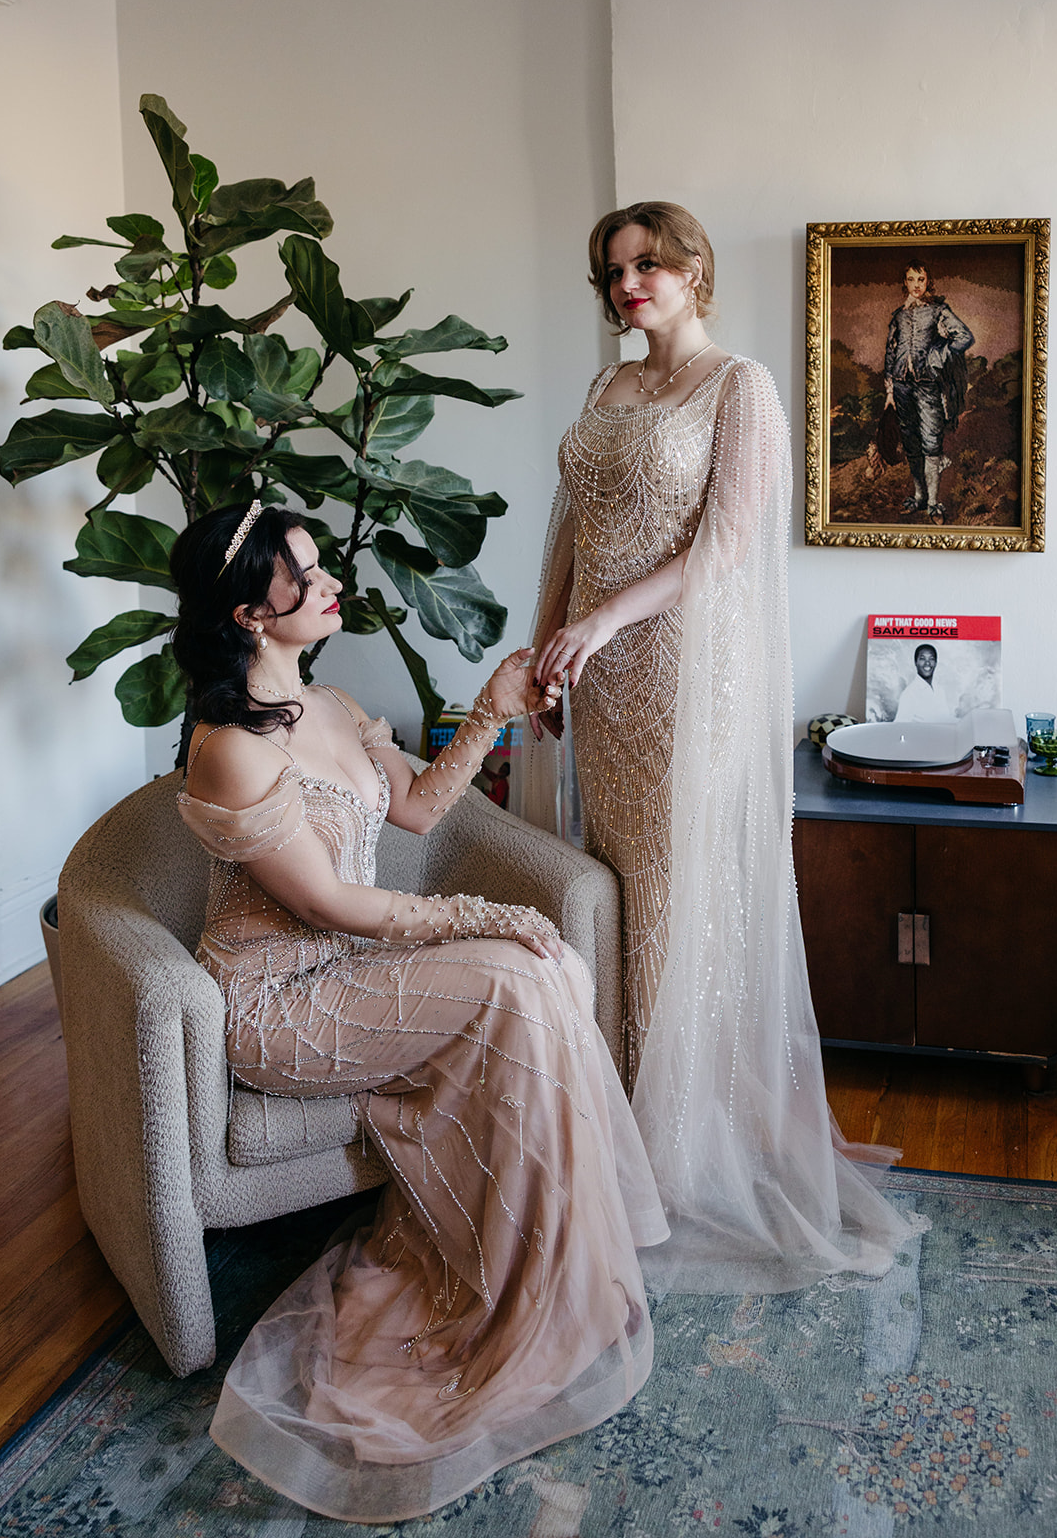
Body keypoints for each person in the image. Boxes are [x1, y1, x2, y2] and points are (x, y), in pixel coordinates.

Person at [170, 500, 666, 1524]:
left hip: (351, 970)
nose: (325, 583)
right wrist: (483, 913)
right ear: (249, 614)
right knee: (516, 969)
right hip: (276, 1006)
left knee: (548, 971)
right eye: (301, 577)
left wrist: (488, 704)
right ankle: (518, 1291)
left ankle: (553, 1260)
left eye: (318, 567)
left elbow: (420, 809)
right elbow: (325, 903)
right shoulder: (227, 746)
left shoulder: (338, 704)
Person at [528, 201, 920, 1292]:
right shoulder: (607, 389)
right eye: (611, 271)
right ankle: (619, 1117)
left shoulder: (738, 384)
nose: (626, 285)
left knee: (669, 897)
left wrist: (601, 623)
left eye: (645, 264)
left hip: (682, 678)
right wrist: (543, 652)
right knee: (606, 889)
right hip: (594, 679)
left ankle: (675, 1153)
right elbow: (570, 523)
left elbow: (723, 546)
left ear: (693, 270)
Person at [883, 260, 974, 521]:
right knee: (911, 442)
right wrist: (889, 392)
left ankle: (934, 502)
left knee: (931, 442)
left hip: (927, 385)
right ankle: (920, 496)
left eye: (920, 280)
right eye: (911, 279)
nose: (915, 285)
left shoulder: (938, 311)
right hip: (901, 386)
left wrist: (939, 353)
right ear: (905, 282)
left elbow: (964, 337)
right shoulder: (899, 315)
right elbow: (890, 354)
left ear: (928, 281)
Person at [895, 642, 953, 721]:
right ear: (916, 662)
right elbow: (900, 728)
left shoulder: (940, 690)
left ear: (936, 663)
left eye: (931, 659)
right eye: (922, 659)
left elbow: (946, 721)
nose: (927, 663)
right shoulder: (909, 695)